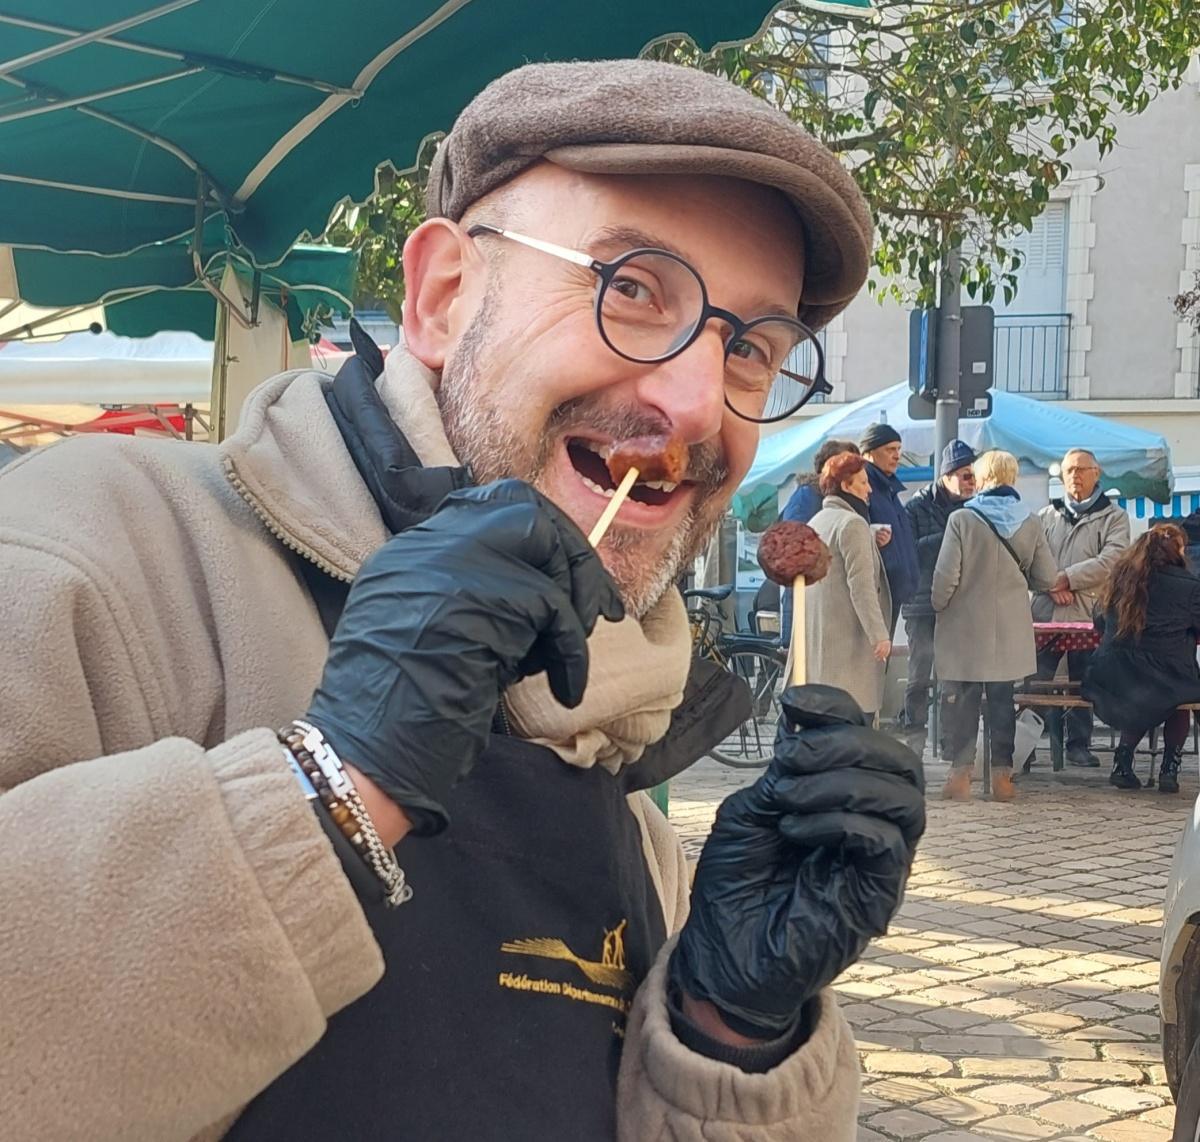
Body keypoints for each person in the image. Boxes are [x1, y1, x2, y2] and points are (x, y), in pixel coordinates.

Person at [0, 60, 925, 1140]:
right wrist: (332, 783)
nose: (692, 402)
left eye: (750, 347)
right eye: (632, 288)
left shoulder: (622, 736)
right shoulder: (100, 544)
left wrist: (730, 1030)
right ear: (443, 296)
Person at [932, 450, 1059, 802]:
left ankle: (961, 776)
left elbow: (946, 576)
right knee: (1003, 701)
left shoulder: (962, 519)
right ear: (1012, 478)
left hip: (965, 625)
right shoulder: (1030, 521)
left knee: (964, 700)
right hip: (1009, 627)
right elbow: (1047, 577)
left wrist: (938, 604)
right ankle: (1003, 778)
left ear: (982, 478)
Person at [1031, 448, 1131, 767]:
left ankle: (1078, 744)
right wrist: (1051, 585)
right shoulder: (1046, 515)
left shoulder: (1114, 517)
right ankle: (1026, 744)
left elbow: (1113, 560)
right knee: (1036, 679)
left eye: (1081, 469)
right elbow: (1030, 558)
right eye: (1069, 470)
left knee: (1083, 680)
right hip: (1045, 614)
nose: (1074, 475)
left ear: (1096, 473)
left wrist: (1067, 579)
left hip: (1089, 613)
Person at [1084, 524, 1200, 794]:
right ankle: (1169, 768)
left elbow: (1099, 620)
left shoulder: (1120, 579)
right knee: (1178, 696)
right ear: (1177, 552)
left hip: (1114, 674)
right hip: (1168, 676)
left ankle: (1122, 762)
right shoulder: (1190, 586)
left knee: (1146, 693)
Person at [899, 439, 978, 753]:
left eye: (974, 476)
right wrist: (949, 535)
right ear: (947, 476)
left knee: (952, 679)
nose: (972, 482)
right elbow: (908, 553)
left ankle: (950, 743)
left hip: (958, 605)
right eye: (966, 476)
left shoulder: (973, 509)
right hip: (921, 604)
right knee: (919, 676)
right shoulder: (915, 507)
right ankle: (914, 743)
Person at [805, 452, 893, 719]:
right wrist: (879, 635)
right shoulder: (852, 524)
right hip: (850, 648)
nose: (869, 489)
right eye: (863, 482)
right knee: (855, 728)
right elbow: (861, 586)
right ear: (846, 486)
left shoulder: (817, 522)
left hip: (823, 649)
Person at [779, 437, 859, 641]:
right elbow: (792, 547)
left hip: (831, 599)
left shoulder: (847, 498)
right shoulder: (807, 496)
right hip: (807, 597)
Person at [860, 422, 920, 634]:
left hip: (894, 588)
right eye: (889, 449)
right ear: (869, 453)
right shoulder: (865, 488)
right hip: (878, 590)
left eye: (898, 449)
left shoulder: (888, 489)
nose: (897, 456)